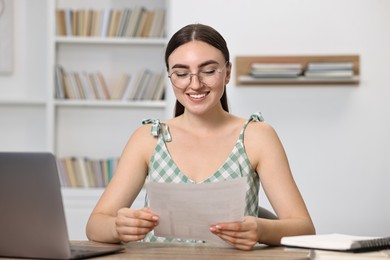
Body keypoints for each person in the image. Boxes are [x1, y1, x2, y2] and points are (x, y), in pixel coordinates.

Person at [86, 23, 315, 251]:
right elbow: (95, 224)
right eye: (182, 73)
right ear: (170, 76)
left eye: (208, 71)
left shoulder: (257, 137)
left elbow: (304, 228)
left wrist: (261, 230)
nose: (195, 84)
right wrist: (118, 227)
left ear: (227, 73)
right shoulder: (148, 137)